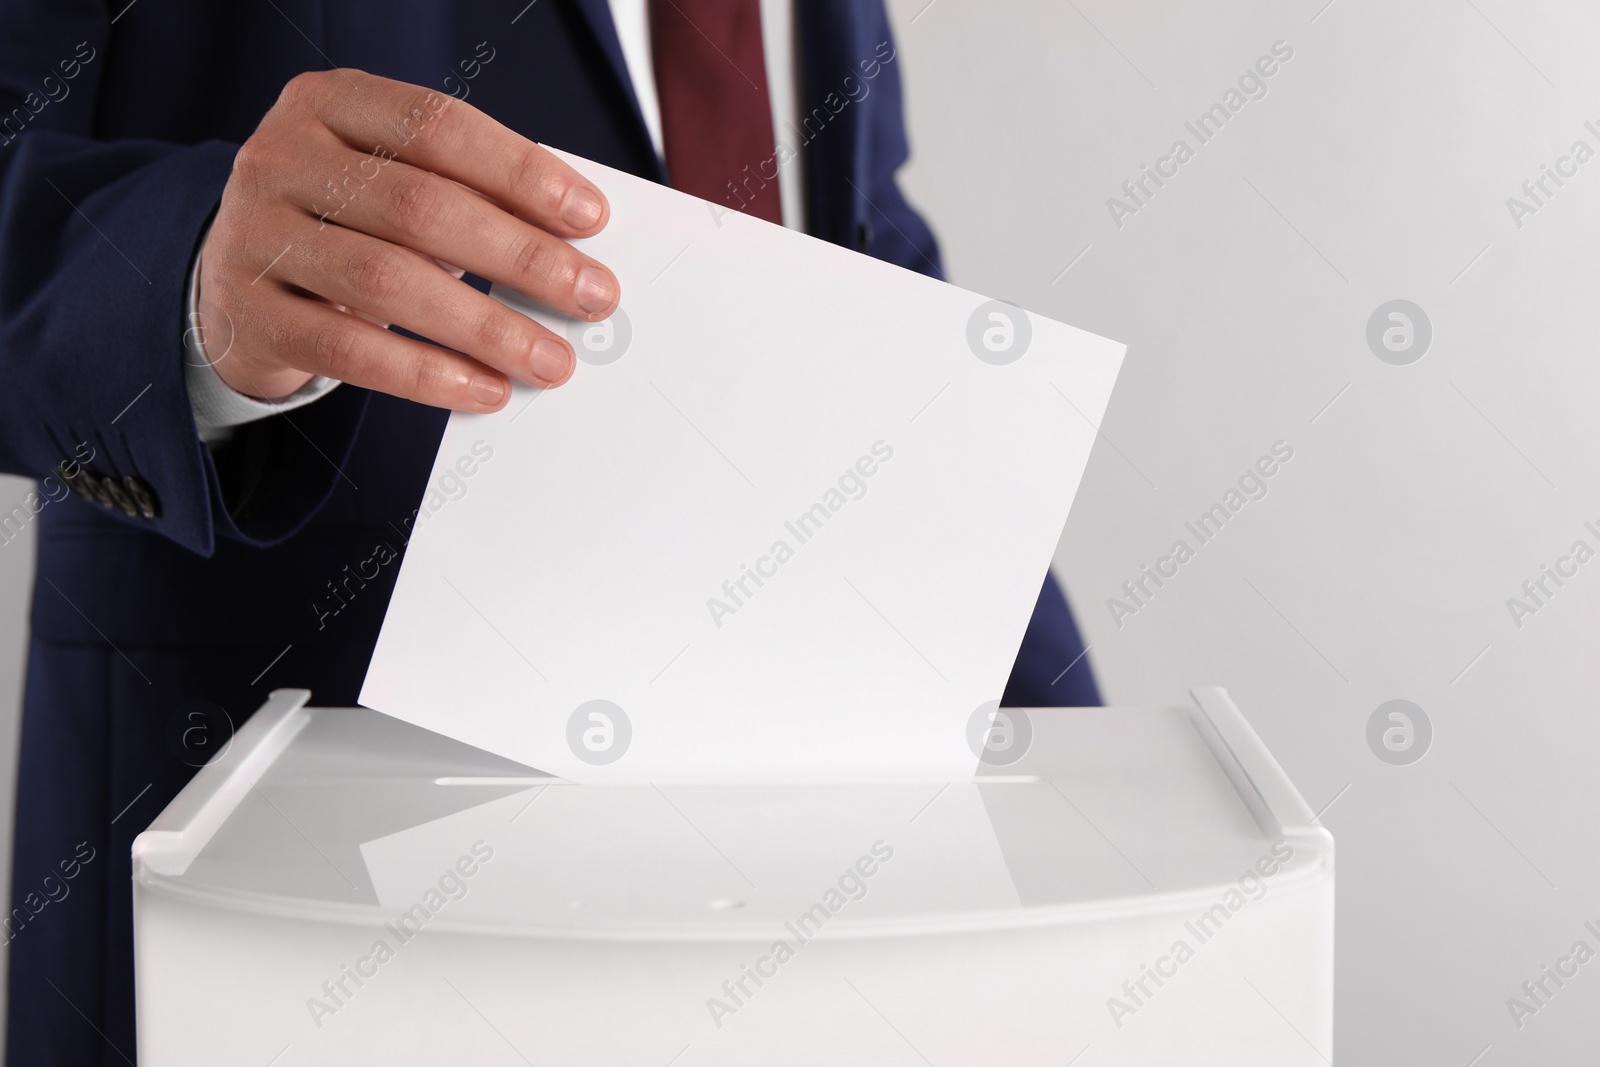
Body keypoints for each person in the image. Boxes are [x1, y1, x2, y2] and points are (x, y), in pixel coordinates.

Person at [0, 0, 1099, 1060]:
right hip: (280, 914)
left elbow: (856, 268)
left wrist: (1084, 760)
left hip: (782, 911)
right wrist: (193, 281)